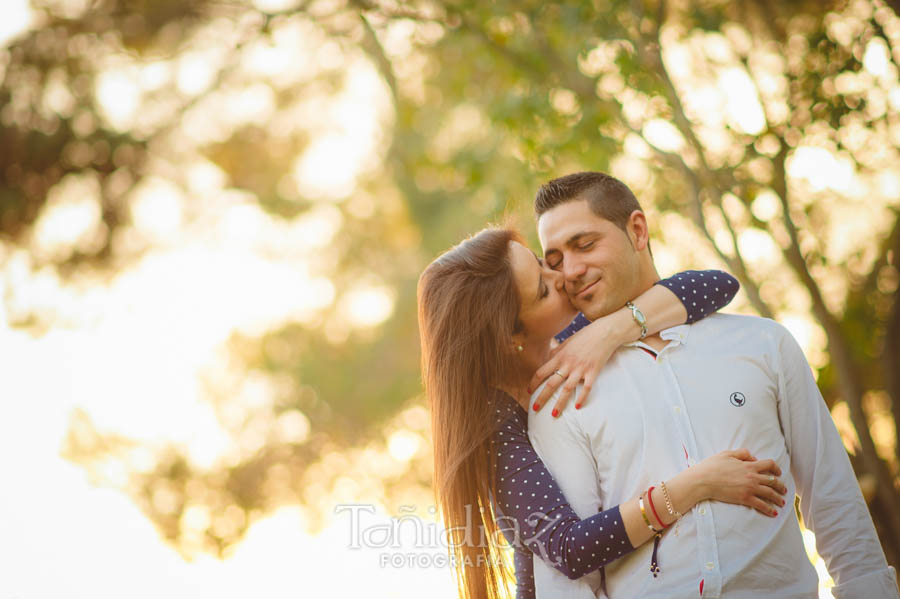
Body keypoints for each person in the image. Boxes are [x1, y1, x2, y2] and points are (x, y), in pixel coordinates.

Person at [526, 171, 899, 598]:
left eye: (585, 244)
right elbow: (568, 582)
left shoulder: (763, 344)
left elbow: (834, 500)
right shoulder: (561, 393)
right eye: (554, 260)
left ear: (637, 230)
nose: (570, 270)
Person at [417, 227, 789, 599]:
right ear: (510, 335)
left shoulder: (576, 339)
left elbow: (715, 285)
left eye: (541, 263)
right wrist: (697, 485)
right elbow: (568, 548)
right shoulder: (492, 418)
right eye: (543, 289)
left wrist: (613, 328)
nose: (561, 277)